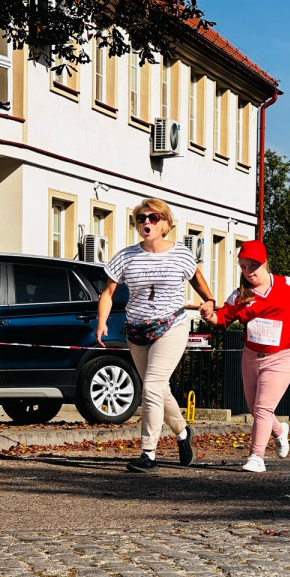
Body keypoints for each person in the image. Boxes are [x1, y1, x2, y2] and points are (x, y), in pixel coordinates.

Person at [96, 198, 215, 473]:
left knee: (150, 387)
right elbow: (108, 293)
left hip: (171, 326)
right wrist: (101, 322)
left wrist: (209, 299)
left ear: (165, 223)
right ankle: (183, 432)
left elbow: (196, 277)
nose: (146, 223)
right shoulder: (126, 256)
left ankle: (148, 453)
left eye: (153, 218)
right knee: (159, 389)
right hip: (136, 329)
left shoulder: (181, 254)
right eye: (141, 219)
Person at [200, 240, 290, 473]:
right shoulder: (240, 295)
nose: (248, 272)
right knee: (255, 408)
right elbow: (222, 319)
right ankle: (279, 430)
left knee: (263, 408)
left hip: (281, 357)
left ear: (265, 263)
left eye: (253, 266)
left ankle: (256, 457)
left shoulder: (286, 285)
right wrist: (208, 315)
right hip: (251, 357)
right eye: (243, 267)